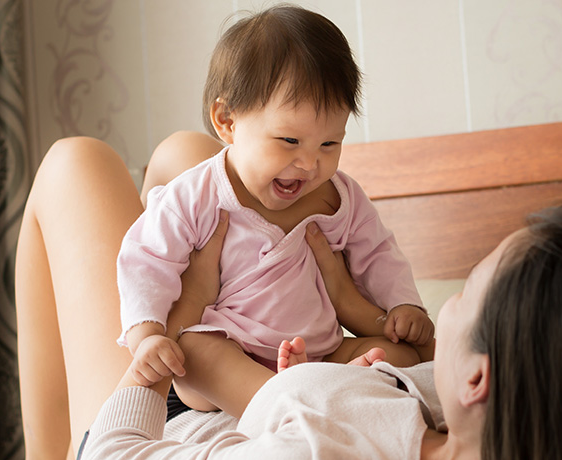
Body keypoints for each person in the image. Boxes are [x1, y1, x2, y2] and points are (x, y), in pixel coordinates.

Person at [16, 133, 562, 458]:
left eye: (465, 291)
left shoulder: (327, 445)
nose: (442, 312)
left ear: (482, 375)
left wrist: (167, 332)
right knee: (187, 156)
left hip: (156, 414)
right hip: (253, 382)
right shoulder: (481, 421)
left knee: (74, 164)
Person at [117, 4, 434, 419]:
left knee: (400, 355)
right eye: (289, 140)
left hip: (320, 351)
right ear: (227, 120)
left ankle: (319, 388)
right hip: (232, 346)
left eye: (329, 145)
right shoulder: (196, 195)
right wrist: (147, 337)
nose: (309, 164)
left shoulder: (340, 198)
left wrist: (403, 306)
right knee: (193, 351)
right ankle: (287, 402)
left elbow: (378, 255)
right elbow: (146, 259)